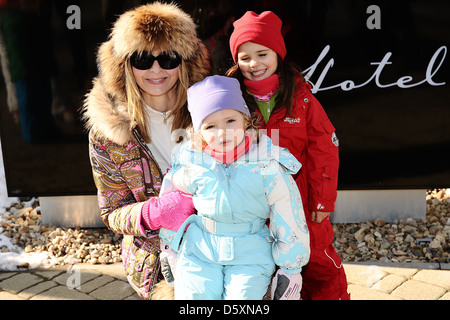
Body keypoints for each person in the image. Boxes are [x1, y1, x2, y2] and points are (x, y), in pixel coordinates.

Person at [81, 2, 210, 300]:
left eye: (167, 58)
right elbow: (112, 212)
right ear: (125, 65)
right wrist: (154, 213)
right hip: (155, 257)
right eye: (142, 59)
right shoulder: (108, 132)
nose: (155, 70)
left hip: (222, 238)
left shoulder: (213, 114)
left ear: (184, 62)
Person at [227, 11, 350, 300]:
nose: (254, 64)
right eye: (244, 57)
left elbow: (325, 148)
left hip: (301, 204)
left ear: (278, 54)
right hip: (253, 209)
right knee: (262, 273)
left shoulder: (301, 98)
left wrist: (322, 198)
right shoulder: (231, 99)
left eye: (262, 54)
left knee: (319, 265)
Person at [159, 75, 310, 300]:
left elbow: (288, 212)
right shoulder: (192, 163)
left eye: (230, 121)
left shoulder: (265, 164)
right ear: (199, 132)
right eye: (210, 126)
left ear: (245, 120)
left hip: (250, 252)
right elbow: (171, 203)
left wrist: (290, 269)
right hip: (200, 249)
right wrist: (169, 246)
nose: (223, 133)